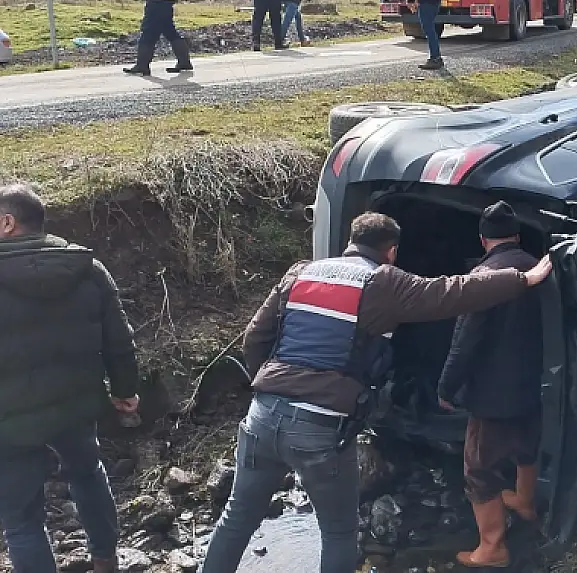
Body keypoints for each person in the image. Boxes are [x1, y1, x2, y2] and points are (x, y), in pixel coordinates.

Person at [198, 212, 553, 573]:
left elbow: (255, 338)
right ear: (392, 250)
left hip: (262, 415)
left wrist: (270, 386)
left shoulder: (301, 272)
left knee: (237, 516)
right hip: (320, 428)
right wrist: (522, 278)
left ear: (350, 241)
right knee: (339, 533)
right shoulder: (382, 282)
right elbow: (454, 292)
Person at [0, 184, 140, 573]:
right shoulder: (87, 268)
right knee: (89, 475)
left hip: (9, 420)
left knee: (23, 519)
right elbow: (119, 338)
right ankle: (105, 563)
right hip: (75, 405)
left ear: (8, 222)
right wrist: (126, 390)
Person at [437, 202, 544, 569]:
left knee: (479, 468)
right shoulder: (539, 265)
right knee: (526, 446)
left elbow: (464, 340)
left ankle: (492, 548)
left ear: (484, 240)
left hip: (493, 393)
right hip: (535, 381)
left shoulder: (482, 277)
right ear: (516, 235)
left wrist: (447, 388)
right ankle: (525, 502)